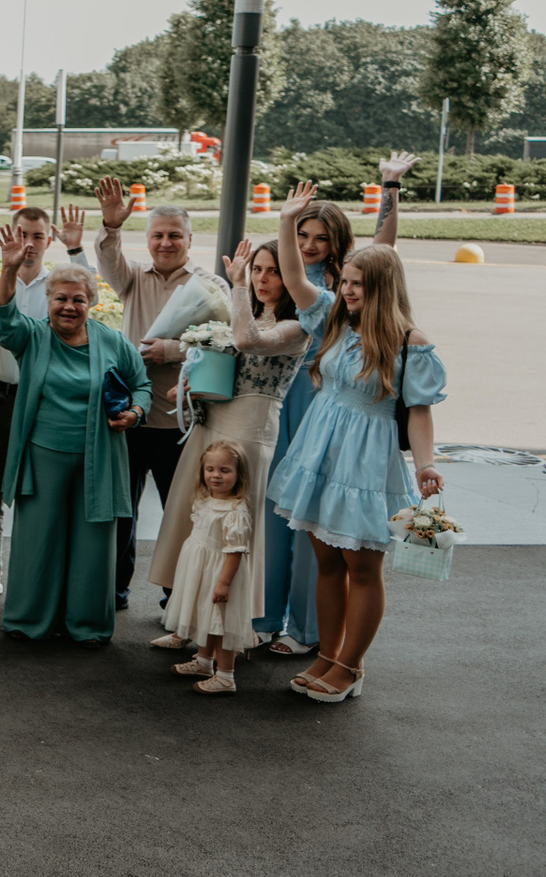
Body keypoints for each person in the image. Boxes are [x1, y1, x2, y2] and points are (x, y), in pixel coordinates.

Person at [267, 185, 445, 702]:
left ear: (383, 288)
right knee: (327, 563)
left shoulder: (410, 343)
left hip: (366, 460)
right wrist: (287, 221)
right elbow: (295, 278)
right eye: (344, 281)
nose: (346, 290)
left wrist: (426, 465)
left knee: (362, 568)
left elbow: (419, 412)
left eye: (357, 285)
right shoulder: (332, 318)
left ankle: (351, 666)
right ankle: (327, 655)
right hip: (320, 449)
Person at [258, 153, 412, 655]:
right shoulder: (283, 267)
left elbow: (383, 249)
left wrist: (390, 187)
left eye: (321, 238)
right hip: (286, 395)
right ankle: (264, 617)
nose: (309, 245)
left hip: (331, 397)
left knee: (324, 522)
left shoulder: (346, 284)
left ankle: (309, 632)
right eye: (303, 235)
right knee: (281, 510)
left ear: (337, 243)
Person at [0, 225, 150, 647]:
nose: (68, 306)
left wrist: (135, 412)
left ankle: (87, 625)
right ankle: (29, 620)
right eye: (60, 298)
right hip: (43, 457)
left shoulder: (113, 341)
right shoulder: (33, 336)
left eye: (78, 299)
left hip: (99, 457)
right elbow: (5, 324)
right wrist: (9, 270)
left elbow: (142, 385)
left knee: (93, 544)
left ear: (91, 303)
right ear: (48, 301)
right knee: (38, 542)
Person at [147, 238, 307, 630]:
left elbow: (250, 341)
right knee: (197, 524)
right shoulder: (245, 314)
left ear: (291, 277)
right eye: (257, 270)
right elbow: (228, 365)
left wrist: (237, 284)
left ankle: (221, 632)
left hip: (249, 429)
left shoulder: (298, 326)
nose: (262, 279)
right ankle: (187, 622)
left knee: (230, 530)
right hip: (213, 421)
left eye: (273, 271)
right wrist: (192, 386)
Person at [94, 177, 228, 610]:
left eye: (174, 235)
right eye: (157, 235)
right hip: (130, 416)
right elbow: (107, 260)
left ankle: (178, 597)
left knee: (181, 514)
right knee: (121, 511)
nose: (165, 243)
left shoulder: (211, 286)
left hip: (180, 420)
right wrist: (112, 226)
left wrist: (175, 350)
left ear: (190, 239)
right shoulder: (133, 277)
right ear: (148, 239)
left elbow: (227, 345)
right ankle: (112, 592)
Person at [0, 203, 90, 605]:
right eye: (22, 234)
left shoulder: (58, 284)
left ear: (49, 239)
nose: (29, 243)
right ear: (11, 235)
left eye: (37, 236)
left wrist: (76, 249)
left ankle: (43, 577)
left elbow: (88, 291)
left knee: (44, 491)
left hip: (48, 399)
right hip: (2, 397)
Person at [152, 442, 257, 694]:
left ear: (239, 474)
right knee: (205, 618)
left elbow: (235, 552)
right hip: (201, 571)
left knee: (220, 625)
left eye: (224, 470)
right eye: (210, 469)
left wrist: (224, 583)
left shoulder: (235, 511)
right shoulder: (205, 501)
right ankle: (203, 662)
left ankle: (226, 676)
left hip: (220, 574)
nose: (216, 475)